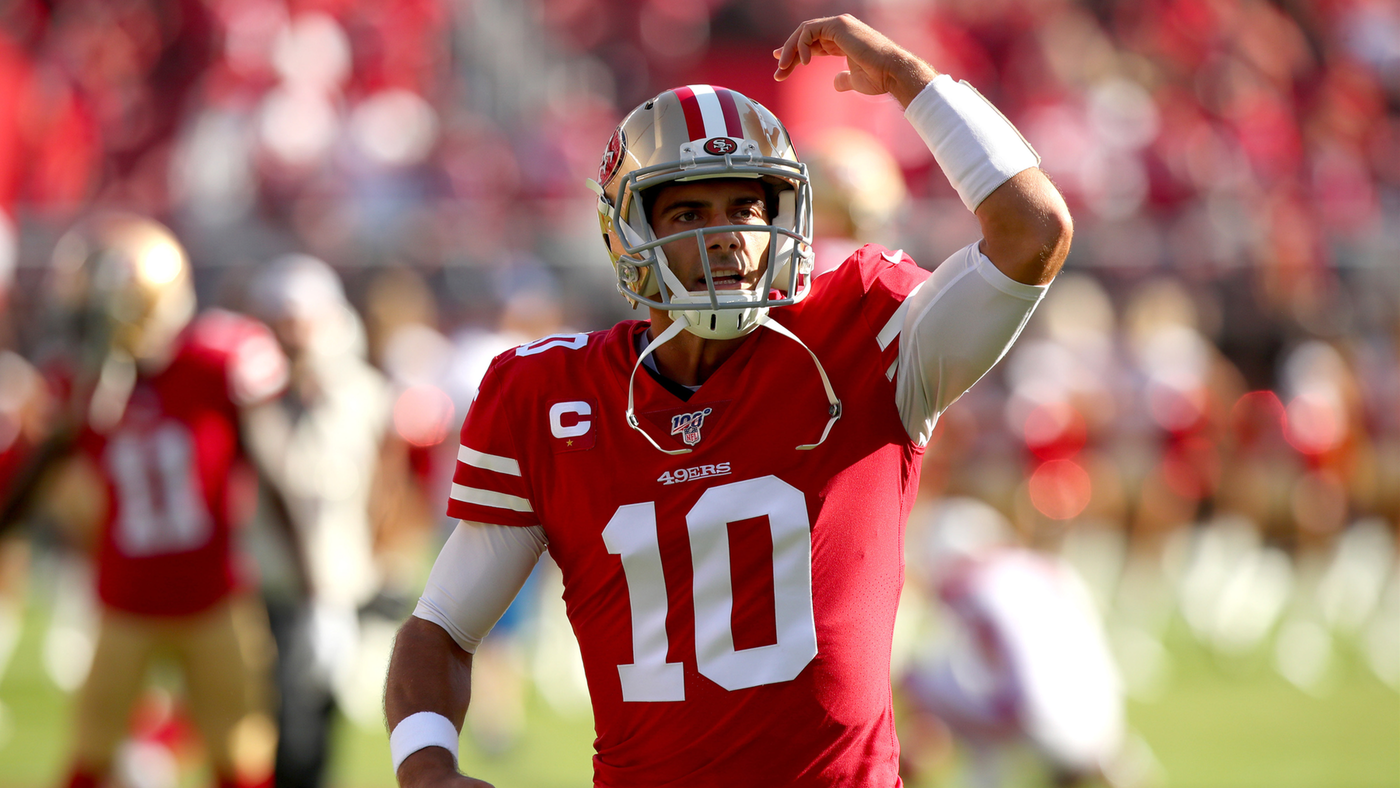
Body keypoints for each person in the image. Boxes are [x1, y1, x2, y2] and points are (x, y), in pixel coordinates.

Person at [384, 14, 1072, 788]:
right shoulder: (549, 395)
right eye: (689, 213)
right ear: (626, 234)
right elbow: (441, 629)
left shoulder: (861, 333)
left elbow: (1033, 231)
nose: (726, 236)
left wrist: (915, 83)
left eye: (746, 208)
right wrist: (427, 767)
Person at [0, 213, 289, 788]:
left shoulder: (212, 366)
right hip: (125, 597)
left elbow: (270, 468)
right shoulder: (84, 387)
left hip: (211, 596)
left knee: (241, 757)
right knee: (90, 755)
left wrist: (309, 576)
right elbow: (32, 483)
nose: (83, 322)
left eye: (95, 308)